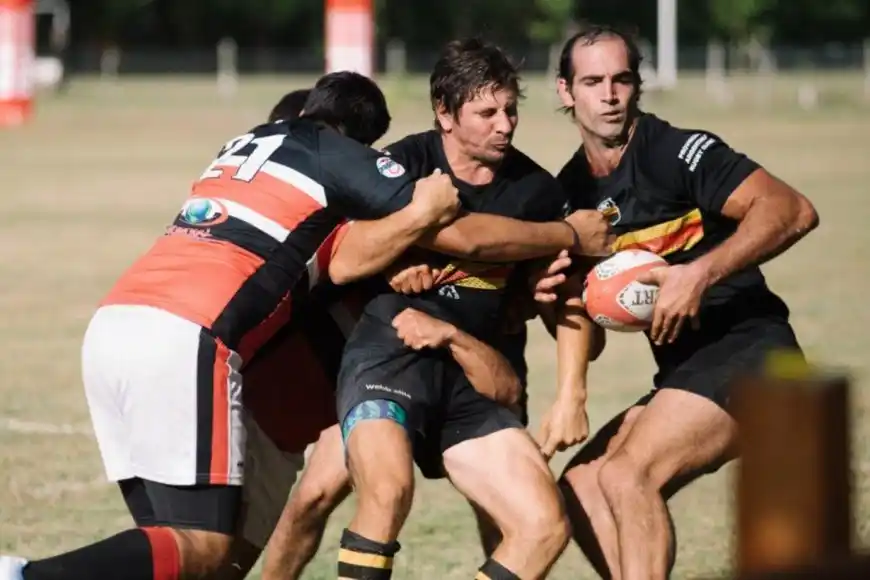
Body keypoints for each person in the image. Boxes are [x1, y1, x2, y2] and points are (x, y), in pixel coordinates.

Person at [0, 72, 465, 580]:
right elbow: (418, 209)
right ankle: (26, 575)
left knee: (176, 557)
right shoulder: (325, 155)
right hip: (188, 337)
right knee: (205, 549)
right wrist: (428, 207)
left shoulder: (241, 150)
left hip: (116, 323)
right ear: (350, 136)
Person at [550, 25, 819, 580]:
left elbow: (792, 209)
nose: (609, 95)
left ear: (637, 85)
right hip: (685, 371)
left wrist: (699, 273)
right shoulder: (571, 193)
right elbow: (589, 330)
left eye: (622, 79)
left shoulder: (678, 150)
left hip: (753, 356)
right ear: (565, 91)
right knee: (580, 486)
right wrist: (556, 307)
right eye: (593, 81)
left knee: (627, 475)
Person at [332, 38, 605, 580]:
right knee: (386, 494)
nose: (504, 125)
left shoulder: (536, 192)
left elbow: (567, 300)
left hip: (477, 374)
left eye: (510, 110)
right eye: (486, 112)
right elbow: (343, 255)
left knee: (543, 526)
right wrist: (389, 262)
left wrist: (572, 388)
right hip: (391, 357)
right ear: (444, 113)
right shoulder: (400, 166)